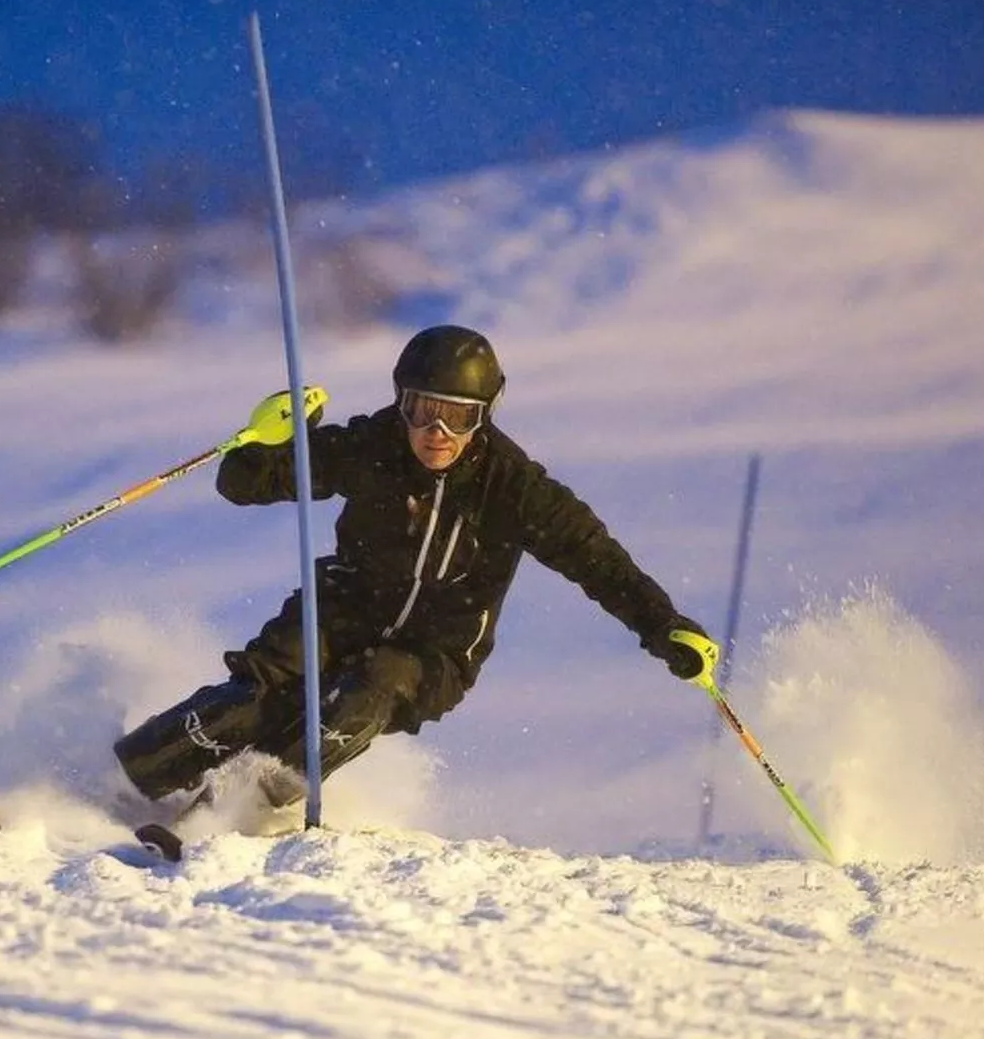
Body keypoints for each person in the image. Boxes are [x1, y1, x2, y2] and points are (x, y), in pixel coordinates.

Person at [113, 324, 715, 816]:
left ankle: (244, 806)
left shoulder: (515, 488)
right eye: (422, 410)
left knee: (363, 695)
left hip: (437, 649)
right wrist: (270, 440)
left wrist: (662, 626)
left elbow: (598, 561)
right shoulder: (376, 442)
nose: (436, 432)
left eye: (459, 416)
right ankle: (119, 781)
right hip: (342, 607)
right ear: (401, 402)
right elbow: (244, 485)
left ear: (485, 416)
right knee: (252, 698)